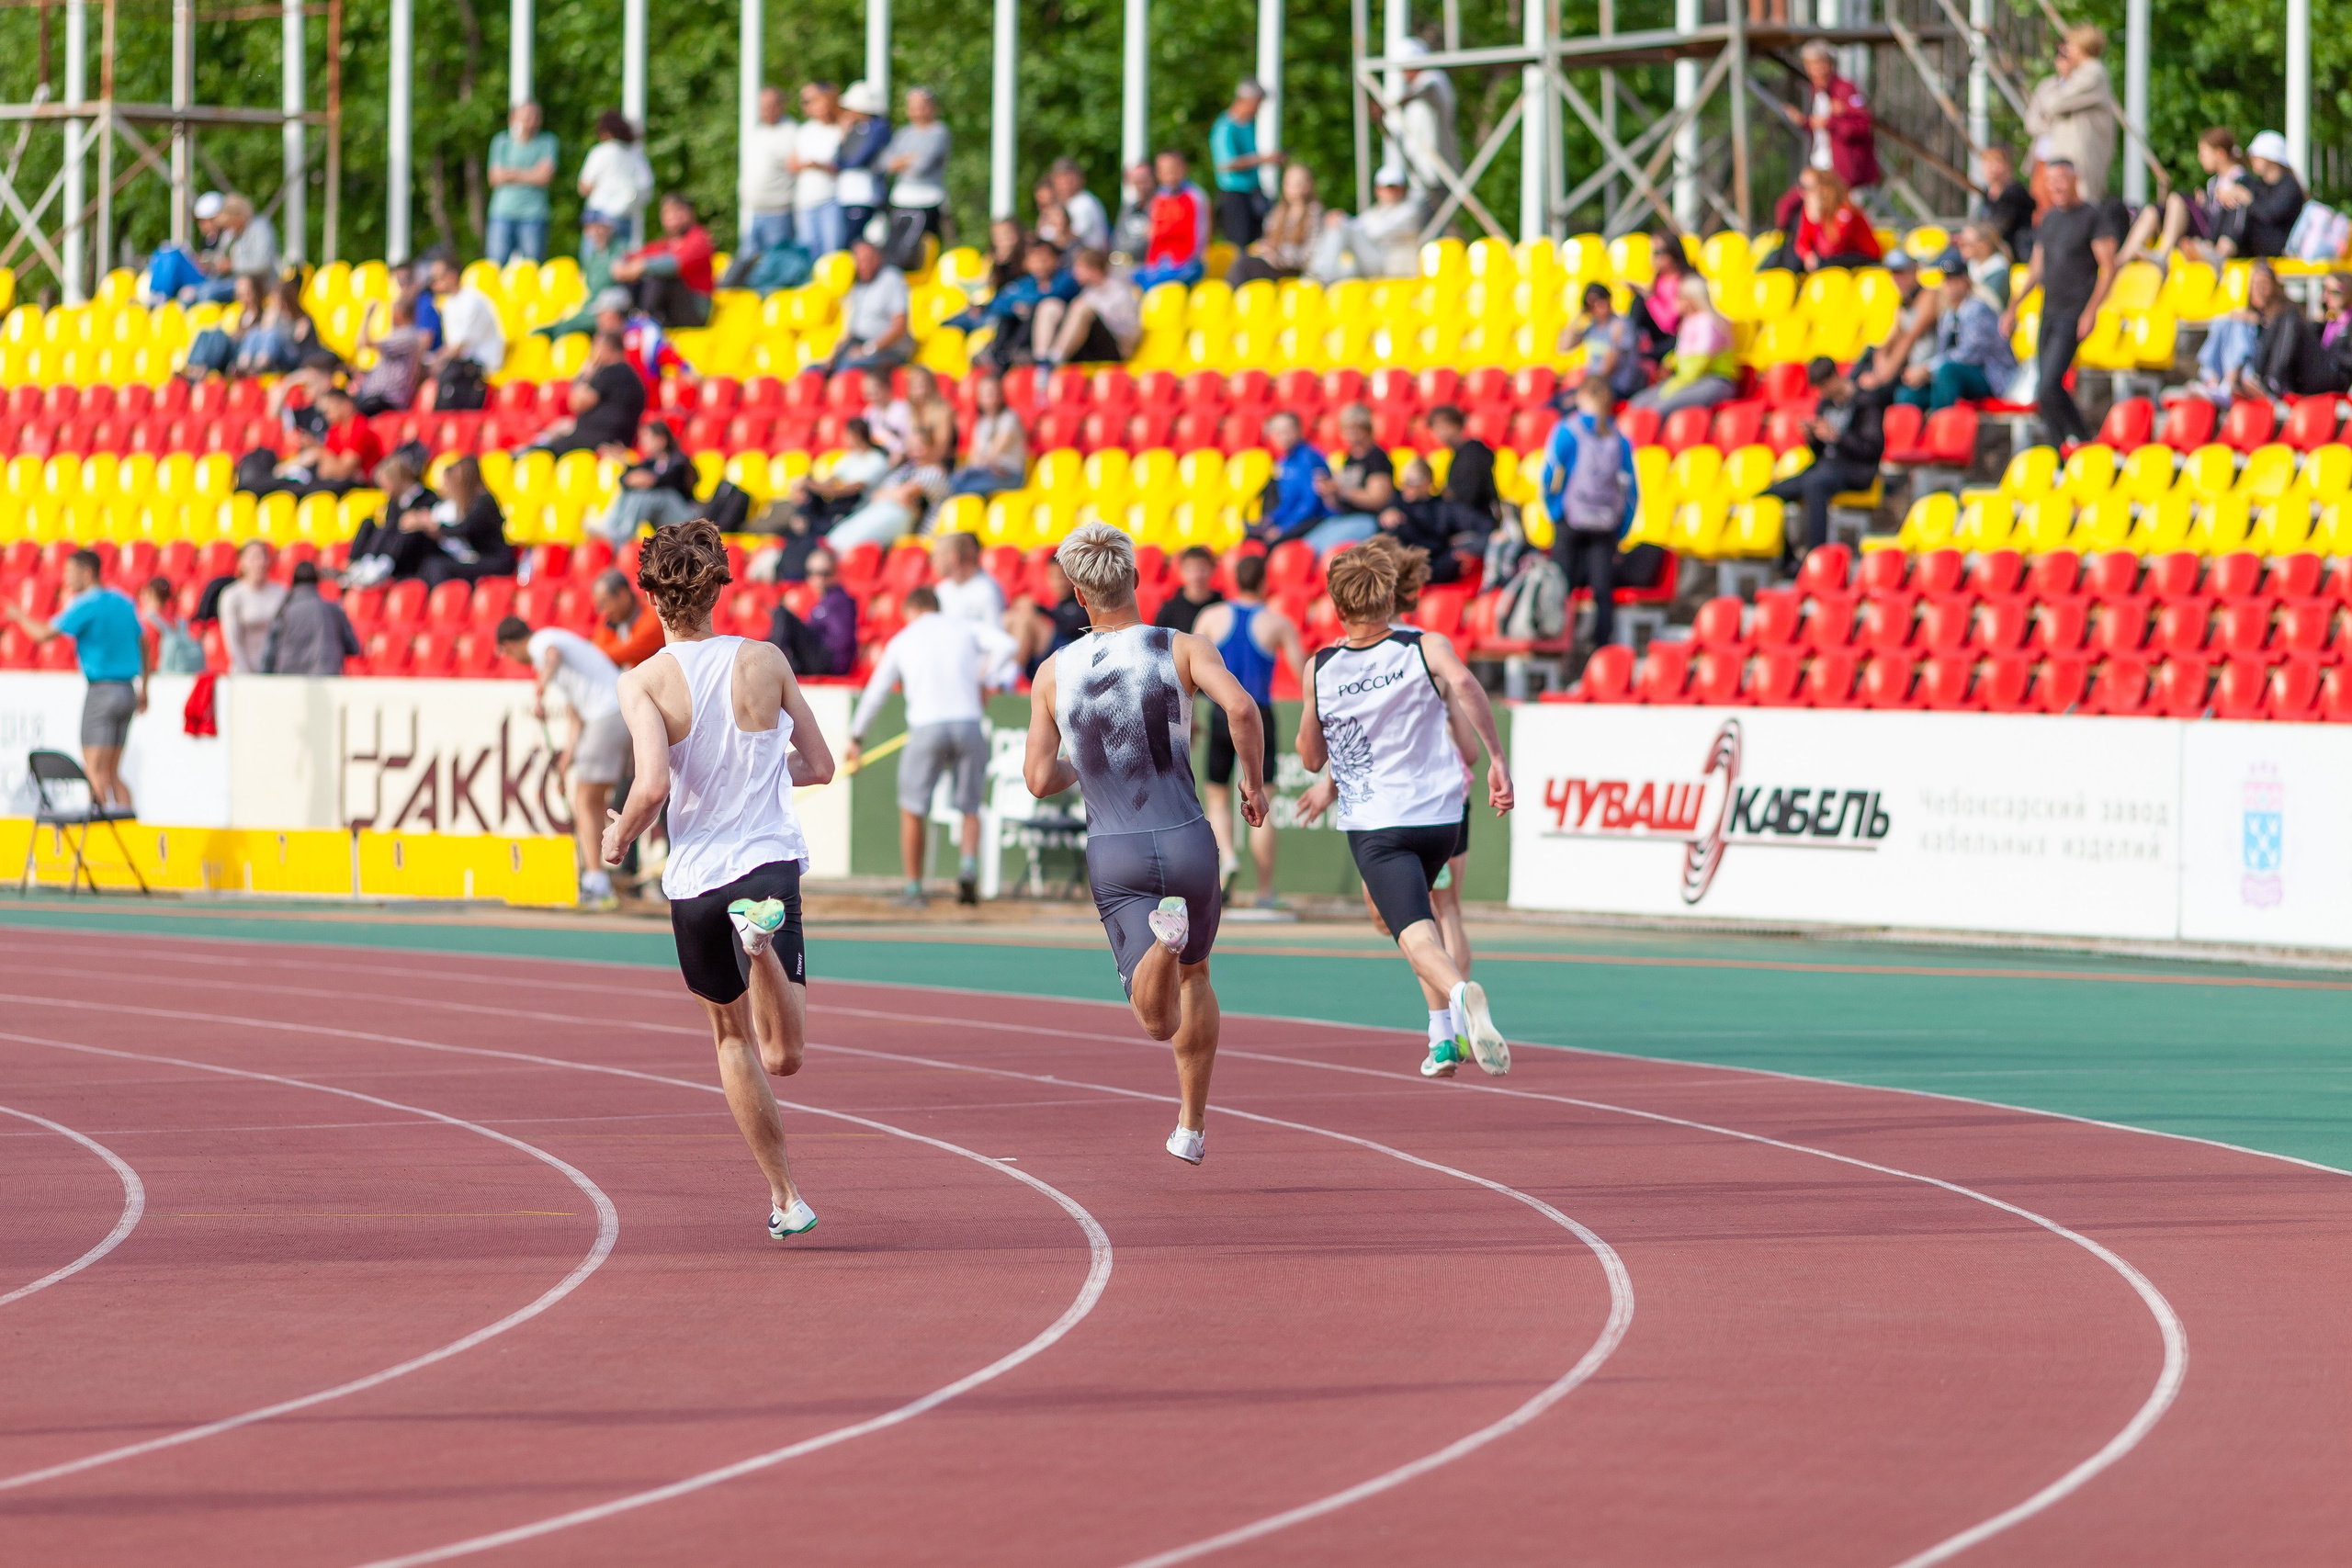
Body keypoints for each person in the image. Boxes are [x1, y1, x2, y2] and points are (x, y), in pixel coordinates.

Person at [599, 518, 835, 1241]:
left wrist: (616, 838)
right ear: (716, 589)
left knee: (734, 1040)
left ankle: (786, 1195)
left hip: (696, 879)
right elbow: (820, 766)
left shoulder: (641, 681)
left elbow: (650, 785)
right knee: (787, 1054)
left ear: (653, 598)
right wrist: (770, 774)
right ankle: (760, 947)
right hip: (764, 862)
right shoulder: (766, 659)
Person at [1023, 523, 1271, 1164]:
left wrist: (1088, 758)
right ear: (1135, 578)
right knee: (1198, 975)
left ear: (1078, 594)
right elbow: (1243, 709)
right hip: (1188, 837)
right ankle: (1191, 1126)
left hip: (1117, 848)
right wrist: (1253, 783)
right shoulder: (1182, 645)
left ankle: (1163, 938)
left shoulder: (1053, 671)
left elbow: (1038, 778)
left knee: (1155, 1019)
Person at [1295, 543, 1511, 1081]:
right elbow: (1463, 683)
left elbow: (1310, 753)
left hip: (1379, 823)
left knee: (1413, 931)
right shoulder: (1426, 645)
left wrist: (1317, 737)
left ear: (1337, 608)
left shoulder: (1320, 667)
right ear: (1390, 597)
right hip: (1439, 816)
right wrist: (1497, 760)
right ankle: (1441, 1036)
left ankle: (1461, 995)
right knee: (1425, 915)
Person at [848, 584, 1018, 905]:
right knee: (971, 805)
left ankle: (914, 888)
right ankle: (967, 868)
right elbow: (1008, 645)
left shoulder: (904, 639)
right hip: (969, 722)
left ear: (911, 610)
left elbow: (876, 692)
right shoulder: (964, 627)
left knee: (913, 808)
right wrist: (985, 676)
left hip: (926, 727)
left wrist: (856, 736)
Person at [1190, 552, 1301, 907]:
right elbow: (1303, 675)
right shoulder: (1277, 622)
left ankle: (1228, 859)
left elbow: (1186, 670)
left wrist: (1189, 717)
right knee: (1261, 796)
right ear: (1265, 583)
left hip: (1220, 713)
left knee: (1217, 796)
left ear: (1234, 580)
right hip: (1260, 715)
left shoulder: (1211, 616)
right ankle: (1265, 891)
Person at [498, 614, 628, 907]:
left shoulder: (543, 642)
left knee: (584, 800)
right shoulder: (559, 654)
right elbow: (575, 714)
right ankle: (601, 875)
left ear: (508, 646)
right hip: (613, 714)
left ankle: (596, 881)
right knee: (594, 799)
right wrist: (567, 758)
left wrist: (540, 687)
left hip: (607, 715)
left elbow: (552, 655)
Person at [3, 549, 147, 810]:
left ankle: (97, 839)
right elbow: (144, 642)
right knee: (114, 773)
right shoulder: (124, 601)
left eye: (70, 572)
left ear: (87, 572)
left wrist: (19, 616)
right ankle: (132, 836)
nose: (66, 579)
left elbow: (43, 634)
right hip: (128, 690)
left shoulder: (87, 604)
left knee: (95, 771)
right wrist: (145, 687)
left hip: (102, 692)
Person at [1999, 159, 2113, 449]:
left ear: (2075, 180)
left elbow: (2108, 267)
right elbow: (2036, 269)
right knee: (2044, 388)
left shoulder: (2092, 217)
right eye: (2051, 181)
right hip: (2049, 311)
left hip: (2073, 312)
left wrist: (2091, 311)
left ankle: (2080, 442)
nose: (2056, 186)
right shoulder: (2049, 219)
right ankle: (2061, 449)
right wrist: (2013, 306)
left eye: (2061, 179)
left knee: (2050, 383)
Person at [1765, 355, 1893, 558]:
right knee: (1773, 492)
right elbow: (1821, 452)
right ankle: (1787, 559)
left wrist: (1837, 437)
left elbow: (1872, 450)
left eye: (1824, 385)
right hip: (1828, 467)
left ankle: (1816, 557)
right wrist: (1812, 438)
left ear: (1834, 376)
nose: (1822, 392)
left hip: (1857, 470)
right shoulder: (1825, 403)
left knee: (1815, 483)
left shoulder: (1866, 402)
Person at [1544, 378, 1637, 648]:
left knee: (1561, 589)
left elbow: (1549, 475)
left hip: (1570, 521)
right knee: (1602, 592)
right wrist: (1620, 529)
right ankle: (1603, 653)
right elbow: (1631, 491)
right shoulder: (1619, 439)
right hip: (1605, 525)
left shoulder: (1567, 430)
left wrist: (1555, 512)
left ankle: (1558, 648)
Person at [1773, 38, 1880, 231]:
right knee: (1789, 208)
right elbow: (1822, 131)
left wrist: (1830, 122)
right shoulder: (1818, 92)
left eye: (1814, 64)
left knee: (1834, 221)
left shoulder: (1845, 90)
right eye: (1808, 65)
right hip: (1819, 168)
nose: (1811, 70)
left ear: (1827, 64)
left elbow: (1862, 126)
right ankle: (1791, 247)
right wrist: (1805, 122)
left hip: (1839, 172)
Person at [1897, 256, 2017, 410]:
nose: (1950, 285)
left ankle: (1943, 428)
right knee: (1908, 393)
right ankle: (1919, 432)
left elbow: (1970, 354)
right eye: (1947, 280)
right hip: (1958, 375)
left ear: (1966, 280)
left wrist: (1928, 368)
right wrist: (1925, 372)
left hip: (1991, 376)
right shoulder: (1948, 314)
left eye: (1955, 279)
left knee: (1947, 372)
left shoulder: (1978, 309)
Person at [2120, 128, 2245, 265]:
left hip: (2215, 236)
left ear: (2220, 153)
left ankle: (2163, 253)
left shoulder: (2241, 181)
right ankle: (2122, 260)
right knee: (2153, 210)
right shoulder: (2214, 182)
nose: (2200, 158)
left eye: (2203, 154)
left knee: (2177, 198)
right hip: (2208, 229)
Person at [2025, 26, 2118, 202]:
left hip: (2082, 157)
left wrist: (2048, 97)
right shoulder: (2082, 74)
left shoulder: (2093, 72)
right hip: (2068, 156)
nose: (2066, 51)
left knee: (2082, 201)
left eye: (2070, 45)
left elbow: (2055, 103)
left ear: (2082, 46)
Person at [1630, 273, 1737, 414]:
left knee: (1659, 409)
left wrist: (1674, 384)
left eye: (1679, 296)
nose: (1675, 300)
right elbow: (1681, 357)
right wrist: (1668, 365)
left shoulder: (1709, 323)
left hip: (1714, 381)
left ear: (1692, 299)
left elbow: (1697, 365)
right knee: (1636, 404)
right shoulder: (1688, 323)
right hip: (1688, 381)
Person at [825, 427, 949, 549]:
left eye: (920, 447)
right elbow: (876, 494)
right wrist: (896, 494)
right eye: (912, 448)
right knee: (835, 538)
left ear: (933, 447)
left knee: (850, 546)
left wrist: (893, 494)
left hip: (909, 526)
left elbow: (905, 494)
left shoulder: (936, 472)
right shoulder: (905, 470)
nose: (915, 452)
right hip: (881, 511)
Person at [529, 329, 647, 457]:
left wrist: (586, 374)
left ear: (606, 348)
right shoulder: (631, 375)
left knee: (541, 452)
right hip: (615, 438)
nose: (593, 352)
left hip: (597, 440)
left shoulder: (610, 372)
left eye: (595, 346)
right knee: (561, 428)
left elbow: (577, 404)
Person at [1295, 403, 1395, 551]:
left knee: (1323, 550)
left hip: (1368, 519)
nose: (1349, 434)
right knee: (1305, 547)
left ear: (1366, 429)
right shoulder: (1350, 458)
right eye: (1346, 429)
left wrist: (1341, 490)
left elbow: (1378, 499)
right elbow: (1339, 504)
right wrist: (1329, 493)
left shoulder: (1376, 457)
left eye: (1355, 429)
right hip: (1344, 518)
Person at [611, 193, 714, 329]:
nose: (673, 217)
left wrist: (641, 266)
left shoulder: (699, 238)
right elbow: (633, 256)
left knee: (658, 274)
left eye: (678, 211)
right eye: (667, 213)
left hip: (694, 310)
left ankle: (644, 320)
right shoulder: (666, 244)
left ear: (691, 213)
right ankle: (631, 317)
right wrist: (621, 264)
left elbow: (676, 264)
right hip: (671, 310)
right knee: (634, 277)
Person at [973, 235, 1076, 370]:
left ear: (1057, 259)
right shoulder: (1027, 283)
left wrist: (1026, 303)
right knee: (1009, 316)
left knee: (1038, 309)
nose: (1040, 264)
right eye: (1035, 260)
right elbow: (1000, 301)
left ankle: (1026, 355)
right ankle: (1001, 354)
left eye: (1044, 259)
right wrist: (1015, 307)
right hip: (1020, 330)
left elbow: (1053, 294)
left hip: (1054, 333)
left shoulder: (1065, 278)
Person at [593, 418, 701, 544]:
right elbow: (627, 478)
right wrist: (630, 476)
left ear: (661, 440)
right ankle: (610, 525)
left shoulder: (678, 461)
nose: (643, 443)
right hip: (664, 515)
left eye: (647, 439)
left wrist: (645, 480)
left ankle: (624, 533)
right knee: (632, 492)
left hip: (684, 514)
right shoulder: (651, 462)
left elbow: (662, 481)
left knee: (648, 496)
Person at [1387, 39, 1461, 220]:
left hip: (1439, 174)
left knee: (1431, 227)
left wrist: (1396, 104)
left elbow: (1427, 89)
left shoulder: (1433, 79)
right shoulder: (1411, 90)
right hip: (1420, 177)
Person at [1035, 246, 1141, 368]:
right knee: (1050, 305)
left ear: (1094, 269)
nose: (1074, 273)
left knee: (1081, 308)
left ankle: (1055, 360)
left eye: (1079, 268)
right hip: (1090, 347)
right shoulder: (1088, 292)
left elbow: (1131, 332)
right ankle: (1042, 360)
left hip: (1116, 350)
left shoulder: (1119, 292)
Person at [2242, 261, 2335, 398]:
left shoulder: (2288, 316)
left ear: (2274, 286)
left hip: (2303, 381)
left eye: (2264, 284)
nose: (2259, 290)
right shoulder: (2257, 321)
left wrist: (2273, 379)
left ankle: (2271, 383)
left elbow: (2286, 353)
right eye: (2255, 285)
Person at [1312, 167, 1421, 282]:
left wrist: (1343, 220)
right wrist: (1339, 219)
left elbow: (1373, 232)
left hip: (1392, 267)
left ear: (1403, 189)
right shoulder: (1375, 212)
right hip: (1373, 264)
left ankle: (1322, 274)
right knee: (1337, 224)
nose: (1389, 191)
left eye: (1394, 187)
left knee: (1341, 224)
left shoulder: (1409, 211)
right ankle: (1318, 273)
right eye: (1385, 187)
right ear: (1377, 190)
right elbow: (1357, 227)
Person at [1765, 166, 1882, 272]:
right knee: (1791, 259)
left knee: (1824, 264)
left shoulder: (1845, 211)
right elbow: (1801, 242)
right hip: (1835, 257)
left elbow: (1832, 247)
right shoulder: (1809, 209)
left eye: (1811, 189)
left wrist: (1817, 221)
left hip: (1862, 256)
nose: (1806, 193)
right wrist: (1808, 255)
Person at [1210, 79, 1283, 246]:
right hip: (1234, 195)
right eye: (1257, 104)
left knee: (1258, 241)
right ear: (1245, 100)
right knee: (1239, 243)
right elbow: (1226, 164)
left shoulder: (1248, 124)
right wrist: (1265, 159)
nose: (1257, 109)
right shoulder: (1225, 127)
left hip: (1253, 193)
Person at [486, 101, 559, 265]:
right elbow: (494, 178)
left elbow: (544, 177)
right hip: (502, 213)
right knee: (496, 266)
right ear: (513, 118)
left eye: (535, 116)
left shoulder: (547, 142)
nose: (531, 121)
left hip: (534, 214)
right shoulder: (502, 142)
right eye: (526, 116)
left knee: (532, 266)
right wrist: (531, 173)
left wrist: (510, 173)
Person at [424, 454, 517, 581]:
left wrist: (436, 526)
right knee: (430, 564)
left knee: (439, 567)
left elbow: (465, 529)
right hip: (482, 558)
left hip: (496, 561)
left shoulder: (484, 501)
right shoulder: (473, 501)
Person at [826, 236, 913, 372]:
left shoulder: (891, 279)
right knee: (816, 370)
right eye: (859, 260)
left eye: (868, 259)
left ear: (878, 257)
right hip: (858, 344)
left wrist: (868, 349)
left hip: (887, 350)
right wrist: (833, 356)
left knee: (847, 369)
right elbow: (850, 332)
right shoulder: (856, 287)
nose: (863, 264)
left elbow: (899, 327)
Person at [259, 560, 360, 676]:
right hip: (326, 680)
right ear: (316, 580)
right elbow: (354, 648)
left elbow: (270, 651)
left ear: (294, 581)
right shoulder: (334, 610)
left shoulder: (284, 611)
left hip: (291, 681)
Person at [1227, 164, 1323, 286]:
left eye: (1297, 184)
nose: (1292, 188)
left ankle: (1229, 297)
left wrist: (1278, 256)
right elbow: (1268, 239)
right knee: (1244, 259)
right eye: (1289, 183)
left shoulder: (1314, 213)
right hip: (1275, 264)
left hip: (1294, 269)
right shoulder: (1278, 212)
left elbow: (1310, 253)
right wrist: (1264, 249)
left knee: (1246, 265)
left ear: (1308, 186)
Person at [426, 250, 509, 380]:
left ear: (452, 276)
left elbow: (458, 348)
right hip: (467, 365)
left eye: (437, 279)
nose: (433, 285)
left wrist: (434, 362)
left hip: (485, 365)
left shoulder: (472, 302)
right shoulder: (449, 304)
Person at [1135, 149, 1211, 290]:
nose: (1168, 174)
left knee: (1155, 286)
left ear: (1183, 168)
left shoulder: (1195, 197)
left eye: (1173, 169)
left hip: (1186, 264)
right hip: (1159, 265)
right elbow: (1153, 237)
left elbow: (1201, 237)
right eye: (1163, 170)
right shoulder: (1158, 199)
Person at [1252, 410, 1332, 543]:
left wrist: (1282, 528)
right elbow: (1288, 503)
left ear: (1299, 430)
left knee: (1272, 542)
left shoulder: (1308, 458)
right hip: (1299, 518)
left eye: (1287, 431)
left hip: (1317, 519)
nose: (1282, 436)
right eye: (1277, 432)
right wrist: (1270, 520)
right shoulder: (1283, 462)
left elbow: (1310, 503)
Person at [578, 110, 655, 245]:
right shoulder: (635, 154)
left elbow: (584, 188)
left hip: (598, 217)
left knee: (594, 262)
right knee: (621, 261)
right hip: (624, 216)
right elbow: (646, 184)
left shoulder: (599, 152)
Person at [884, 87, 953, 240]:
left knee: (925, 247)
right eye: (913, 107)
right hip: (901, 199)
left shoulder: (939, 132)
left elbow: (922, 166)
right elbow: (886, 164)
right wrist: (911, 158)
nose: (917, 112)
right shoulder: (903, 133)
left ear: (932, 107)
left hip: (928, 199)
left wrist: (901, 160)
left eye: (922, 107)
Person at [1428, 403, 1500, 547]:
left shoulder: (1473, 451)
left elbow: (1470, 494)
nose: (1437, 433)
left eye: (1441, 426)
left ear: (1455, 425)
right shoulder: (1457, 454)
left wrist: (1447, 494)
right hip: (1466, 516)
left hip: (1481, 519)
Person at [790, 81, 847, 259]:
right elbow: (792, 163)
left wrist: (818, 165)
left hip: (831, 199)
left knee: (832, 253)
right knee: (809, 254)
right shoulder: (804, 131)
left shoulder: (839, 129)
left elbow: (844, 163)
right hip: (806, 200)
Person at [1007, 558, 1092, 675]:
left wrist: (1038, 609)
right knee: (1010, 617)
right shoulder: (1058, 604)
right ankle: (996, 671)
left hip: (1068, 655)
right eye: (1054, 577)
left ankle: (1010, 675)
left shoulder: (1082, 600)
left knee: (1027, 621)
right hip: (1050, 655)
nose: (1059, 583)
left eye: (1063, 577)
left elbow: (1070, 625)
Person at [948, 372, 1028, 497]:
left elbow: (994, 453)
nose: (989, 397)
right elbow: (975, 454)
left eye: (992, 393)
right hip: (986, 471)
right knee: (954, 480)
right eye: (984, 394)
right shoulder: (981, 422)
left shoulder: (1009, 418)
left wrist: (977, 465)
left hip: (1009, 474)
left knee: (962, 486)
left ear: (1001, 394)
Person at [783, 547, 860, 675]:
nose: (818, 578)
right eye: (812, 572)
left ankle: (771, 662)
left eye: (825, 573)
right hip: (819, 658)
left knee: (783, 615)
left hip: (831, 662)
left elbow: (842, 641)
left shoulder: (839, 600)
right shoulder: (823, 601)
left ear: (836, 573)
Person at [742, 85, 800, 255]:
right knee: (751, 264)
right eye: (762, 106)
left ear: (781, 106)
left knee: (776, 262)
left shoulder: (790, 132)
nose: (765, 111)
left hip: (779, 212)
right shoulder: (759, 132)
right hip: (755, 211)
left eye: (770, 106)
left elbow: (796, 168)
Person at [216, 539, 287, 673]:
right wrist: (247, 676)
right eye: (253, 558)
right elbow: (233, 641)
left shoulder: (280, 593)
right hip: (244, 672)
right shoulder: (232, 596)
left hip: (275, 671)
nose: (258, 563)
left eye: (262, 558)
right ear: (242, 563)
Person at [1567, 282, 1647, 400]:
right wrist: (1580, 315)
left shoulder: (1622, 324)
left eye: (1601, 299)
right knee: (1555, 404)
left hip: (1616, 386)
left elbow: (1611, 364)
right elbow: (1565, 346)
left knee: (1573, 403)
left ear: (1608, 298)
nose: (1599, 306)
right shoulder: (1592, 328)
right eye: (1592, 304)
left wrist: (1589, 386)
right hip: (1595, 385)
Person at [2235, 131, 2308, 260]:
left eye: (2256, 157)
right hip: (2257, 257)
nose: (2252, 160)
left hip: (2281, 257)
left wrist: (2248, 199)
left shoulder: (2289, 186)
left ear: (2270, 158)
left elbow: (2271, 213)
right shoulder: (2260, 186)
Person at [835, 80, 892, 243]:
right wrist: (844, 136)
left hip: (866, 193)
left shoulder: (878, 128)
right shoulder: (855, 129)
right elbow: (839, 159)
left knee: (856, 239)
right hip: (849, 193)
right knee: (848, 238)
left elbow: (856, 160)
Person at [352, 293, 428, 414]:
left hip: (388, 401)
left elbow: (363, 342)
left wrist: (368, 314)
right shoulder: (405, 335)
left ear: (399, 313)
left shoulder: (408, 335)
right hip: (377, 399)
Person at [1974, 144, 2037, 266]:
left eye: (1995, 162)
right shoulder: (1987, 194)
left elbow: (1997, 227)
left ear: (2007, 165)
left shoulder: (2014, 193)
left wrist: (1974, 235)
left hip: (2015, 259)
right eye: (1986, 162)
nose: (1990, 167)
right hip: (1990, 257)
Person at [592, 569, 667, 670]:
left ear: (623, 594)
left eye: (604, 603)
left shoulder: (653, 615)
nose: (602, 612)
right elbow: (596, 651)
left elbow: (616, 654)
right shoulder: (610, 620)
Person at [931, 530, 1006, 625]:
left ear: (953, 558)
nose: (932, 561)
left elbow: (995, 634)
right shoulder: (941, 590)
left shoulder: (987, 590)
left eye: (937, 555)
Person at [138, 576, 206, 674]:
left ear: (150, 593)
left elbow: (149, 659)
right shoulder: (181, 621)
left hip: (162, 676)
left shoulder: (148, 623)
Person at [1049, 157, 1109, 252]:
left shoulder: (1084, 203)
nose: (1065, 184)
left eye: (1069, 179)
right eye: (1061, 179)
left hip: (1088, 259)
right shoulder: (1062, 204)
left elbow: (1069, 238)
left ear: (1080, 178)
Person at [1954, 220, 2013, 308]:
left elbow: (1990, 303)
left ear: (1983, 245)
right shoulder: (1969, 265)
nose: (1961, 247)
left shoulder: (1999, 271)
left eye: (1966, 243)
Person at [1111, 162, 1157, 263]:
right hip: (1126, 263)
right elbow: (1118, 237)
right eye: (1137, 181)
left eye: (1144, 180)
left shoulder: (1162, 207)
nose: (1141, 186)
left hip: (1150, 265)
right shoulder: (1128, 208)